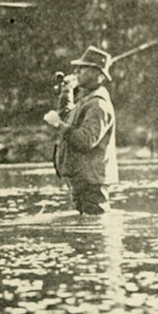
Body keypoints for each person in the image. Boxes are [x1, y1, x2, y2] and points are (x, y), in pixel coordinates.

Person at [44, 46, 118, 214]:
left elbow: (86, 140)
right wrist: (66, 92)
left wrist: (57, 124)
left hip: (92, 183)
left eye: (83, 68)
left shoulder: (98, 104)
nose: (76, 71)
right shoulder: (87, 100)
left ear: (97, 73)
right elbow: (67, 118)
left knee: (96, 230)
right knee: (87, 231)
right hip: (82, 180)